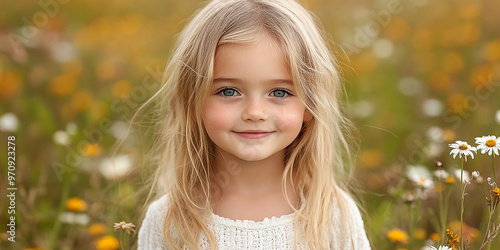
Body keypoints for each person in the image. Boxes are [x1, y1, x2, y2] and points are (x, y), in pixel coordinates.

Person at [137, 0, 371, 249]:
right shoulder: (168, 220)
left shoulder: (334, 216)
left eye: (280, 92)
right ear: (191, 100)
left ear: (310, 105)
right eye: (228, 91)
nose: (255, 113)